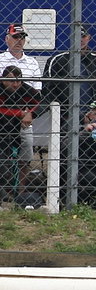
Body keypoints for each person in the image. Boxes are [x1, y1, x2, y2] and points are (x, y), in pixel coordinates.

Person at [0, 66, 38, 204]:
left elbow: (41, 102)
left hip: (15, 130)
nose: (15, 84)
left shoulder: (26, 90)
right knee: (4, 162)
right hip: (3, 128)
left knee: (16, 159)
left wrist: (30, 113)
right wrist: (19, 113)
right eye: (11, 80)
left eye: (18, 81)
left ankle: (18, 192)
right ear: (3, 80)